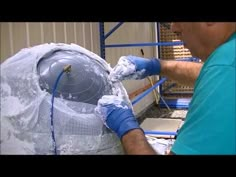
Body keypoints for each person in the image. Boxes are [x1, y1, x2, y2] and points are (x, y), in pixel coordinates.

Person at [95, 22, 236, 155]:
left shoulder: (225, 68)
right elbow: (206, 73)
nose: (173, 28)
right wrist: (156, 66)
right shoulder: (228, 58)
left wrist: (127, 129)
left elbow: (221, 71)